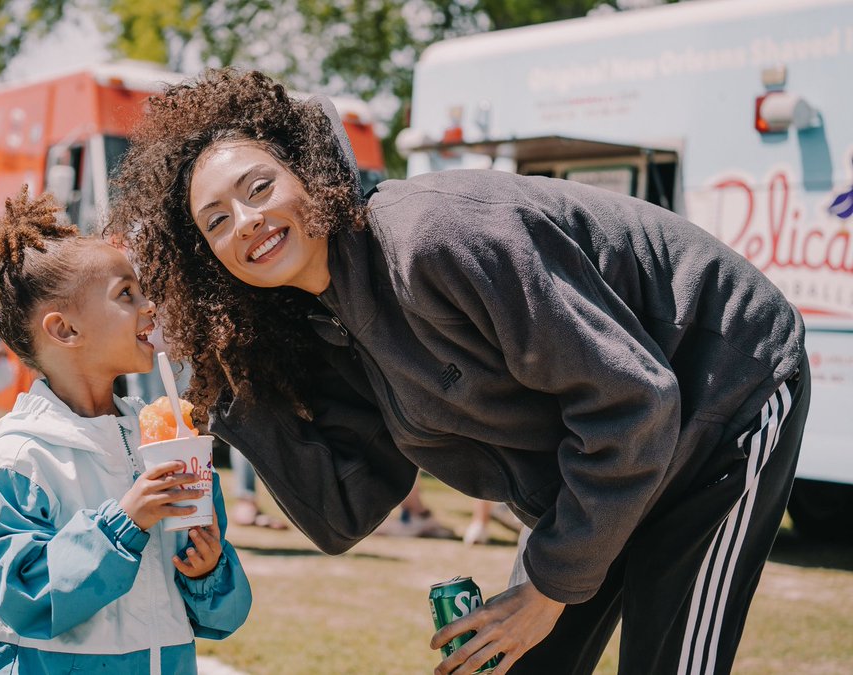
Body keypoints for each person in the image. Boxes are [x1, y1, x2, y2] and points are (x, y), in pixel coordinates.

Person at [107, 70, 810, 675]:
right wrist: (224, 371)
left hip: (721, 393)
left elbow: (635, 399)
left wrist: (545, 589)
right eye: (217, 221)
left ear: (305, 168)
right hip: (607, 459)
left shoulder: (432, 238)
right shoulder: (323, 319)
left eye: (258, 186)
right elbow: (343, 510)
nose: (247, 221)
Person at [0, 186, 251, 673]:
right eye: (126, 294)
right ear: (65, 330)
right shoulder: (23, 455)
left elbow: (220, 614)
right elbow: (21, 593)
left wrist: (208, 570)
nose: (148, 305)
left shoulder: (160, 433)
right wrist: (124, 524)